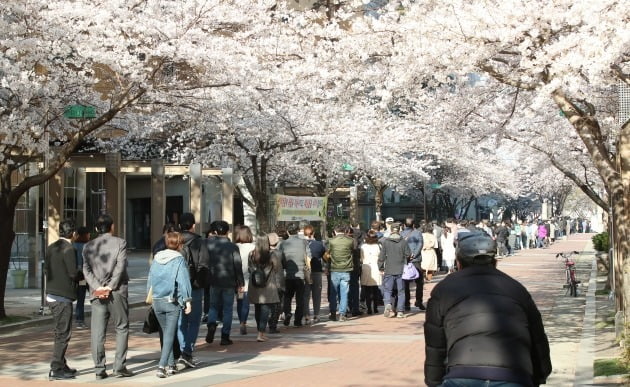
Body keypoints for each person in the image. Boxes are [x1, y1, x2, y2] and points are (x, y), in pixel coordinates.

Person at [424, 231, 552, 387]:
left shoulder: (443, 290)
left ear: (458, 262)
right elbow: (537, 339)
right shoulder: (516, 289)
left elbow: (435, 346)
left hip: (462, 374)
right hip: (514, 375)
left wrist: (434, 381)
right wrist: (539, 376)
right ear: (495, 262)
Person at [82, 214, 133, 379]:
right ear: (112, 227)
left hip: (97, 293)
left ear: (97, 228)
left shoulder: (88, 246)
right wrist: (110, 287)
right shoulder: (120, 242)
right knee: (122, 327)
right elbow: (120, 266)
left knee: (97, 332)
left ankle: (99, 368)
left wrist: (98, 287)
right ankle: (119, 367)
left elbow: (86, 270)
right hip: (117, 291)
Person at [148, 231, 192, 378]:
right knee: (169, 334)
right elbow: (183, 280)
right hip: (171, 301)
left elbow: (150, 280)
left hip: (157, 301)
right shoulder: (179, 259)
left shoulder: (156, 258)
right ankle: (162, 366)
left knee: (167, 333)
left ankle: (172, 364)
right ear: (179, 243)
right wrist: (187, 301)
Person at [45, 219, 79, 381]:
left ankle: (62, 363)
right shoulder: (69, 249)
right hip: (62, 297)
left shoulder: (52, 247)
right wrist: (83, 274)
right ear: (73, 233)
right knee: (63, 334)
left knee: (60, 331)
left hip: (51, 295)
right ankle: (56, 368)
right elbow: (73, 273)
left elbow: (46, 269)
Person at [177, 213, 210, 368]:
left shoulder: (174, 240)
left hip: (177, 286)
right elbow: (203, 265)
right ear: (193, 225)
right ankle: (187, 352)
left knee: (180, 321)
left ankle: (183, 350)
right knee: (194, 321)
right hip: (194, 287)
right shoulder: (199, 241)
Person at [205, 220, 243, 346]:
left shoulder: (208, 244)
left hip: (213, 279)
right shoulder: (233, 247)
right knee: (227, 309)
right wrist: (240, 282)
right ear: (227, 232)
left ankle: (211, 324)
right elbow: (237, 265)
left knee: (213, 306)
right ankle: (225, 336)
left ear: (215, 232)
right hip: (229, 281)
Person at [247, 233, 281, 342]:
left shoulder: (251, 254)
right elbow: (276, 268)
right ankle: (260, 333)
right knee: (265, 308)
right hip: (268, 285)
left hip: (255, 284)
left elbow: (249, 269)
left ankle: (260, 332)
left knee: (257, 308)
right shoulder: (271, 255)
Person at [278, 222, 310, 327]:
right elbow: (309, 257)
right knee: (300, 298)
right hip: (301, 275)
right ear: (297, 231)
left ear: (288, 231)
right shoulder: (304, 242)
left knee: (287, 297)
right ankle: (297, 320)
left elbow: (279, 258)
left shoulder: (283, 243)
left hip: (287, 274)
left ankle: (287, 313)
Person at [378, 222, 411, 318]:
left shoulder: (386, 242)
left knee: (388, 290)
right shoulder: (403, 242)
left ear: (391, 230)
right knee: (401, 291)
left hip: (389, 269)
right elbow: (408, 254)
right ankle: (400, 311)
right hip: (401, 269)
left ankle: (388, 303)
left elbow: (381, 257)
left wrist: (381, 267)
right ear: (399, 230)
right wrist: (406, 261)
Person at [327, 224, 355, 321]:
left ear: (335, 231)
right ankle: (342, 314)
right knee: (344, 293)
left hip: (335, 268)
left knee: (333, 292)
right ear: (344, 231)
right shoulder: (350, 241)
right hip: (346, 269)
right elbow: (353, 251)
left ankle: (333, 313)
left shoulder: (331, 241)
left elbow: (327, 254)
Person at [400, 218, 425, 311]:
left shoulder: (401, 234)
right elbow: (420, 244)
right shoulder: (417, 233)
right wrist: (414, 255)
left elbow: (400, 246)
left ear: (404, 225)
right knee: (419, 282)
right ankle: (419, 301)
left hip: (405, 260)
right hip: (416, 260)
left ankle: (407, 303)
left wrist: (407, 256)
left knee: (405, 282)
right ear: (413, 225)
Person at [235, 225, 255, 335]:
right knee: (245, 303)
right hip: (249, 278)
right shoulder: (253, 247)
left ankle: (241, 321)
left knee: (239, 301)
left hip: (238, 279)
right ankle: (244, 322)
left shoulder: (235, 246)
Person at [303, 224, 326, 323]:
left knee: (305, 295)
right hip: (317, 271)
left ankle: (307, 316)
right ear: (313, 233)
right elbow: (325, 256)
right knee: (317, 294)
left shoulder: (302, 244)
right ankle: (316, 315)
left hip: (305, 272)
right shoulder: (319, 244)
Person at [266, 232, 285, 333]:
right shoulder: (279, 253)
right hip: (278, 281)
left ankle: (265, 323)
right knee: (277, 304)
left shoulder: (263, 253)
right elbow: (285, 264)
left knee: (267, 304)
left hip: (266, 282)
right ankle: (273, 325)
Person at [360, 230, 382, 314]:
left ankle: (369, 308)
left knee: (367, 290)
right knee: (375, 289)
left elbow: (361, 258)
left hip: (366, 267)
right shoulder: (378, 246)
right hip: (376, 267)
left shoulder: (363, 246)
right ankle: (375, 308)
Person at [73, 226, 91, 329]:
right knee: (95, 296)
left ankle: (79, 319)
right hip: (87, 276)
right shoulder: (88, 246)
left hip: (81, 277)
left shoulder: (74, 245)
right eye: (88, 234)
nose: (89, 235)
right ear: (85, 235)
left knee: (81, 297)